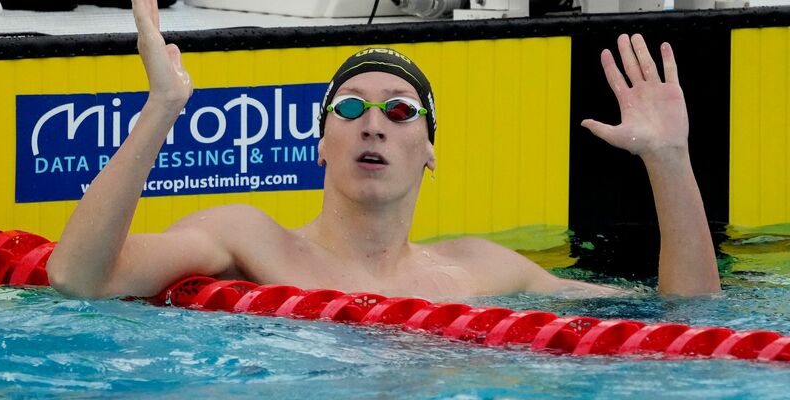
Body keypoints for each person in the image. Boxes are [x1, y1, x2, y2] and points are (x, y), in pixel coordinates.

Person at [46, 0, 722, 299]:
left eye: (399, 112)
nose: (374, 125)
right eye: (350, 108)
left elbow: (684, 327)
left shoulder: (482, 272)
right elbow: (79, 280)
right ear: (319, 143)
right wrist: (159, 112)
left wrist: (669, 161)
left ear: (430, 151)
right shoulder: (248, 238)